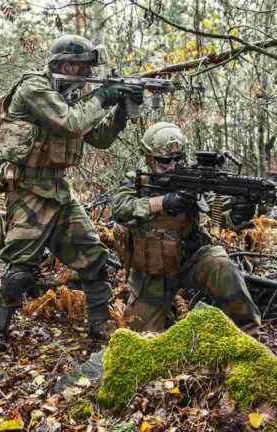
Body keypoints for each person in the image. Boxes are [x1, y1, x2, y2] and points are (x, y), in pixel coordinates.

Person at [0, 34, 143, 352]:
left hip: (58, 188)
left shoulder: (70, 93)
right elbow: (72, 123)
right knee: (21, 269)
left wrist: (121, 109)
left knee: (93, 258)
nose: (86, 74)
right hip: (27, 188)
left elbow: (100, 138)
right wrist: (103, 96)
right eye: (82, 68)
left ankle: (101, 329)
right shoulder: (34, 88)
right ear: (65, 64)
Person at [110, 122, 262, 335]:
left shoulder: (191, 177)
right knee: (139, 338)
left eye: (178, 159)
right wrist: (164, 202)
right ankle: (169, 315)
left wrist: (239, 214)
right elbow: (119, 209)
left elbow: (219, 213)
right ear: (149, 158)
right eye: (164, 160)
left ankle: (250, 335)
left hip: (191, 259)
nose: (171, 166)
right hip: (153, 273)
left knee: (224, 268)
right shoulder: (138, 181)